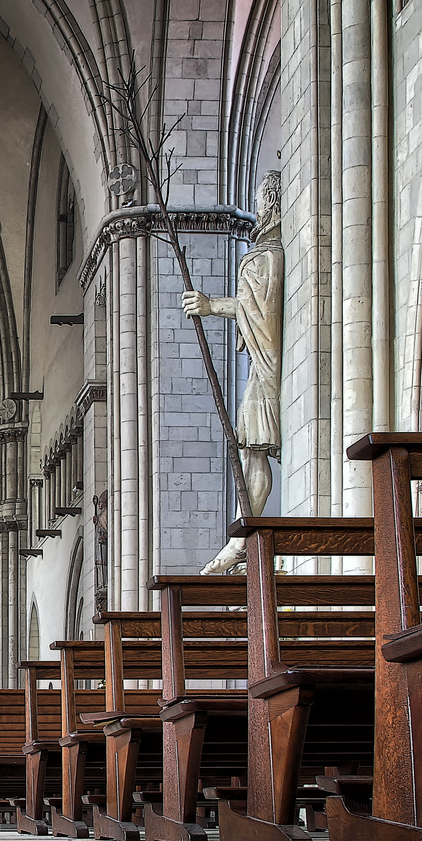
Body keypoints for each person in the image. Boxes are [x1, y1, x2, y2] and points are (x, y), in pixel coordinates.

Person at [182, 169, 284, 574]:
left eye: (261, 200)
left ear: (272, 203)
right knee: (250, 449)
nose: (257, 208)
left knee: (252, 449)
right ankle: (242, 536)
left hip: (268, 366)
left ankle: (241, 540)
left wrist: (211, 307)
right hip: (268, 366)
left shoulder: (264, 258)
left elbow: (258, 313)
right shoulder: (270, 255)